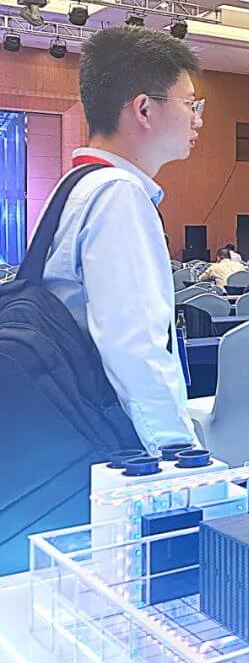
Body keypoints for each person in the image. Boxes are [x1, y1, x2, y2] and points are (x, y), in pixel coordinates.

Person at [39, 25, 202, 453]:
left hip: (70, 423)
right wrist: (178, 456)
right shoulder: (118, 194)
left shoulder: (75, 186)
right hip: (113, 439)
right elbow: (135, 349)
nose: (198, 119)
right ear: (144, 110)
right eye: (189, 104)